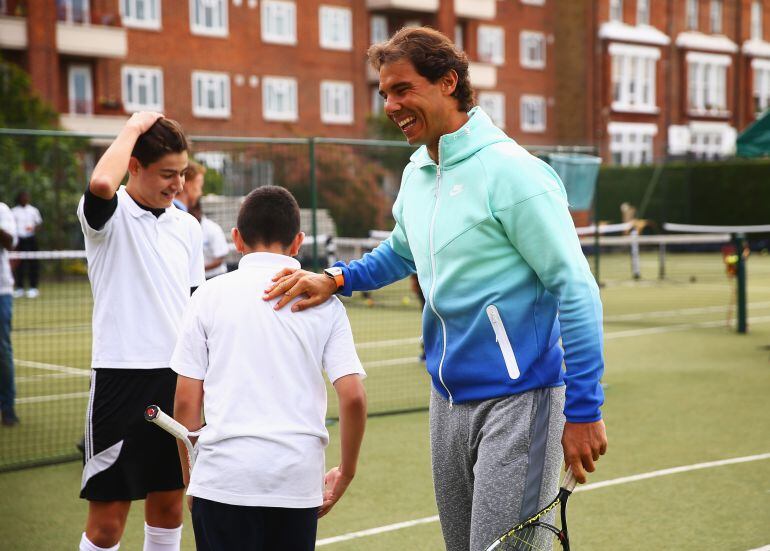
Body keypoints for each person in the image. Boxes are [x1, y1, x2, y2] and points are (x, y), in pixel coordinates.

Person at [264, 27, 607, 551]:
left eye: (403, 89)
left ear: (448, 82)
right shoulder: (418, 172)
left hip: (521, 398)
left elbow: (577, 290)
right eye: (384, 93)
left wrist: (584, 409)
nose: (391, 105)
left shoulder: (513, 172)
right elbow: (401, 252)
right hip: (445, 401)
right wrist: (335, 278)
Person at [171, 186, 367, 551]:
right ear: (298, 243)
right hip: (296, 482)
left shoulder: (207, 297)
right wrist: (347, 471)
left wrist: (192, 479)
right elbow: (353, 397)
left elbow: (186, 402)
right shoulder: (326, 305)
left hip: (221, 479)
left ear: (236, 239)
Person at [76, 112, 204, 551]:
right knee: (107, 526)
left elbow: (195, 306)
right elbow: (100, 186)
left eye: (183, 173)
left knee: (169, 511)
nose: (178, 185)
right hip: (119, 382)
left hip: (177, 380)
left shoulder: (188, 227)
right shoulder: (107, 218)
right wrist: (131, 129)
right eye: (168, 174)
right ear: (134, 166)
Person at [0, 201, 19, 427]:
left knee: (2, 350)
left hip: (1, 291)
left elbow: (9, 242)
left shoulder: (2, 210)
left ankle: (8, 408)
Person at [11, 190, 42, 298]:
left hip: (31, 240)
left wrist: (33, 228)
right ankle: (19, 288)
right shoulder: (14, 211)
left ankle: (33, 288)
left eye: (27, 196)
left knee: (33, 264)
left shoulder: (33, 210)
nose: (25, 198)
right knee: (19, 265)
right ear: (19, 198)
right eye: (23, 196)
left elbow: (38, 224)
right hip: (19, 240)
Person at [188, 201, 229, 279]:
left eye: (190, 213)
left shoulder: (212, 229)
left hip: (215, 277)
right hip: (198, 277)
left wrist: (196, 269)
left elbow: (219, 260)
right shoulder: (187, 228)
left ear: (198, 210)